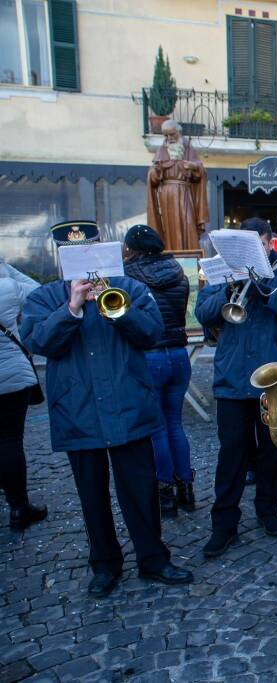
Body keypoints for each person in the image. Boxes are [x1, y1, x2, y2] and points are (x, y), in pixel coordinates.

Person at [21, 221, 193, 596]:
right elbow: (37, 342)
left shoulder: (130, 288)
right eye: (73, 254)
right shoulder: (44, 297)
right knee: (92, 495)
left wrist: (117, 307)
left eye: (90, 250)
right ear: (60, 257)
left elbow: (151, 333)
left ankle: (154, 559)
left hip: (128, 404)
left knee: (141, 490)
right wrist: (72, 308)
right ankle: (104, 564)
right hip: (78, 410)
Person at [195, 218, 277, 556]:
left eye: (260, 243)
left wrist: (262, 291)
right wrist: (228, 289)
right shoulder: (223, 273)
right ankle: (224, 525)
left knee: (271, 453)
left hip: (272, 381)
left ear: (268, 244)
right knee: (231, 455)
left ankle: (267, 511)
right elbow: (203, 313)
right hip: (232, 381)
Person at [123, 224, 194, 519]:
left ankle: (164, 492)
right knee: (175, 423)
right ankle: (186, 488)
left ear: (132, 249)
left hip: (149, 355)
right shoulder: (177, 270)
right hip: (178, 353)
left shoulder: (127, 276)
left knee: (157, 428)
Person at [0, 258, 47, 530]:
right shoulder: (8, 286)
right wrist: (6, 267)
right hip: (10, 376)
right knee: (9, 440)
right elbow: (38, 292)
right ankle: (19, 507)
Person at [146, 119, 209, 251]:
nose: (169, 138)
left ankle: (190, 256)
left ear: (179, 133)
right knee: (169, 228)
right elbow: (153, 175)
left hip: (184, 193)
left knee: (188, 224)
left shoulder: (188, 150)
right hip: (166, 196)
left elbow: (200, 171)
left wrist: (192, 166)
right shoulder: (161, 151)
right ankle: (171, 253)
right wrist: (156, 171)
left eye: (172, 134)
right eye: (166, 136)